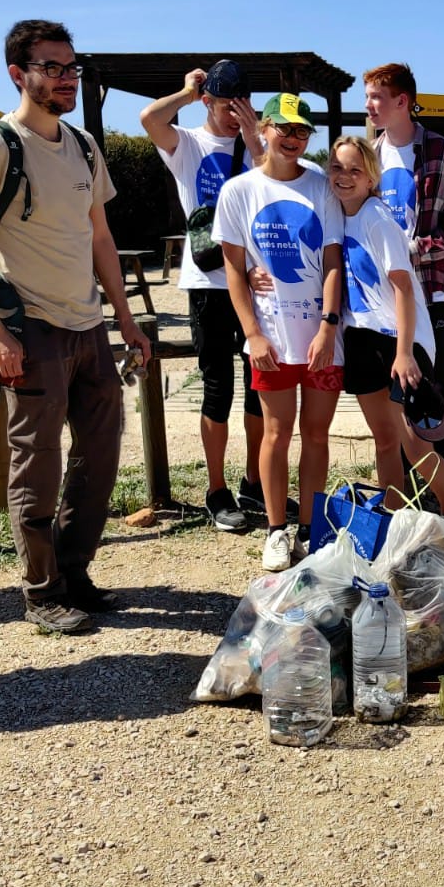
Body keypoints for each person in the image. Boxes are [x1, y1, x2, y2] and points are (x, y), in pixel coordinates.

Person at [0, 19, 151, 633]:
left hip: (87, 325)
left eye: (71, 67)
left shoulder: (82, 145)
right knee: (38, 460)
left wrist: (127, 319)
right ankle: (41, 590)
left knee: (100, 453)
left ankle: (74, 573)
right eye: (52, 68)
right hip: (30, 326)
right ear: (18, 74)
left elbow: (100, 239)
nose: (66, 79)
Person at [139, 61, 272, 533]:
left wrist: (255, 135)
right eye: (225, 103)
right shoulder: (189, 145)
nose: (235, 113)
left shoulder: (256, 142)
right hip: (208, 283)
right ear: (208, 101)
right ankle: (216, 489)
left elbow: (272, 186)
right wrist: (186, 91)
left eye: (243, 104)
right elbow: (150, 120)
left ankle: (256, 480)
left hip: (256, 282)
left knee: (263, 384)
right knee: (219, 387)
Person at [216, 94, 346, 572]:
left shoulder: (322, 186)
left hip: (321, 339)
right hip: (270, 337)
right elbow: (233, 268)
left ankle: (312, 529)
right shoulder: (238, 191)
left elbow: (333, 261)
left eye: (302, 131)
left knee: (316, 434)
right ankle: (276, 530)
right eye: (284, 128)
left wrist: (329, 328)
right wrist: (252, 333)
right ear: (264, 129)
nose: (293, 139)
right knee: (275, 433)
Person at [327, 135, 444, 516]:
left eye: (356, 169)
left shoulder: (376, 218)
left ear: (371, 177)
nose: (344, 176)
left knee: (415, 443)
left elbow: (403, 287)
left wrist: (405, 354)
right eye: (337, 168)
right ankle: (393, 513)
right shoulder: (338, 215)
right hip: (362, 336)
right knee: (384, 439)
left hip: (400, 339)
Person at [364, 63, 444, 462]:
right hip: (382, 300)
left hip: (428, 292)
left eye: (376, 97)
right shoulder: (370, 155)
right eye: (367, 97)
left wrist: (414, 250)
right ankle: (407, 487)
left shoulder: (439, 150)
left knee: (433, 393)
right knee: (393, 395)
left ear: (402, 101)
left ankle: (439, 484)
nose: (369, 106)